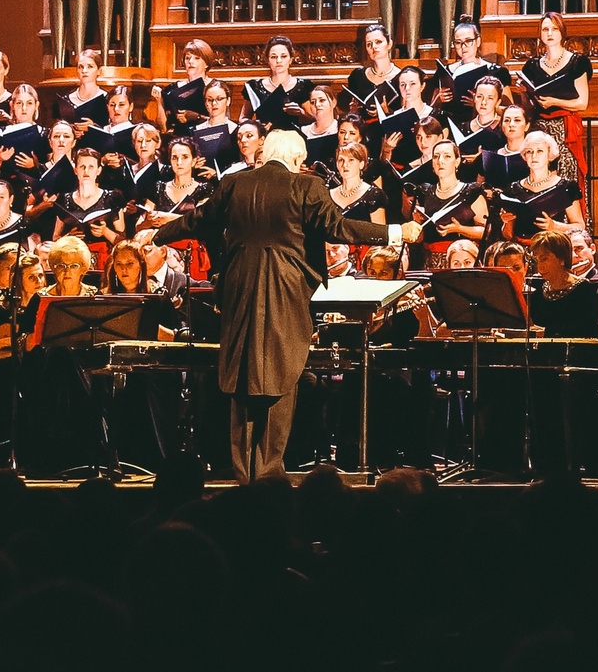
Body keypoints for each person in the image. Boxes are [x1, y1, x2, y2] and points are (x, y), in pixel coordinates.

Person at [150, 129, 417, 482]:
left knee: (242, 378)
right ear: (295, 159)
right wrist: (396, 232)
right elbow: (338, 229)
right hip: (285, 291)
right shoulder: (306, 187)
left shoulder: (234, 184)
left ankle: (244, 473)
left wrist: (157, 233)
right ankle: (270, 473)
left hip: (239, 292)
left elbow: (199, 220)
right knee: (280, 374)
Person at [517, 11, 594, 182]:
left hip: (565, 130)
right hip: (539, 129)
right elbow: (528, 108)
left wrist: (553, 101)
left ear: (562, 32)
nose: (550, 34)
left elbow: (582, 103)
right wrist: (524, 92)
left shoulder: (577, 62)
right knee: (540, 176)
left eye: (554, 29)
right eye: (545, 29)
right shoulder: (532, 66)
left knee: (566, 177)